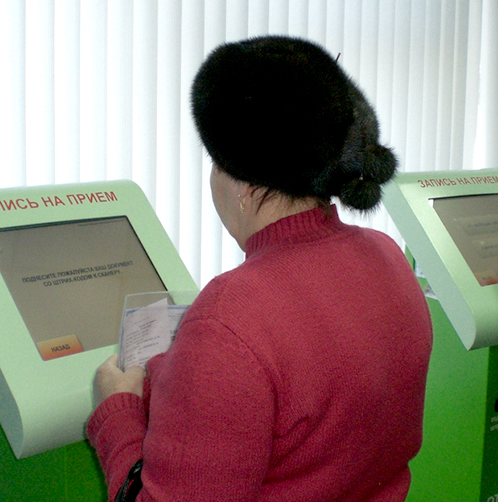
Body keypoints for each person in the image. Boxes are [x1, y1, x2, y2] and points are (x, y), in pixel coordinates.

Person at [87, 35, 434, 502]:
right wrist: (187, 381)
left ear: (245, 185)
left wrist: (118, 414)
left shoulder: (229, 319)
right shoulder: (387, 256)